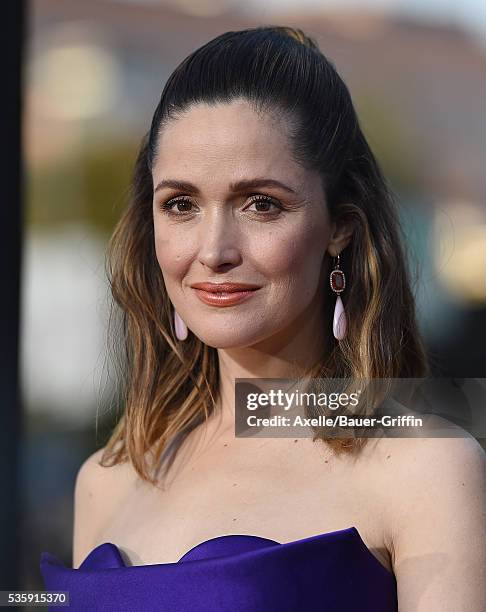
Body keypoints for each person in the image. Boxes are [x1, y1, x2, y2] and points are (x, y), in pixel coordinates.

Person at [40, 25, 486, 611]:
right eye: (181, 205)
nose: (214, 250)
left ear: (340, 227)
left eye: (261, 204)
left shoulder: (426, 469)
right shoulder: (105, 479)